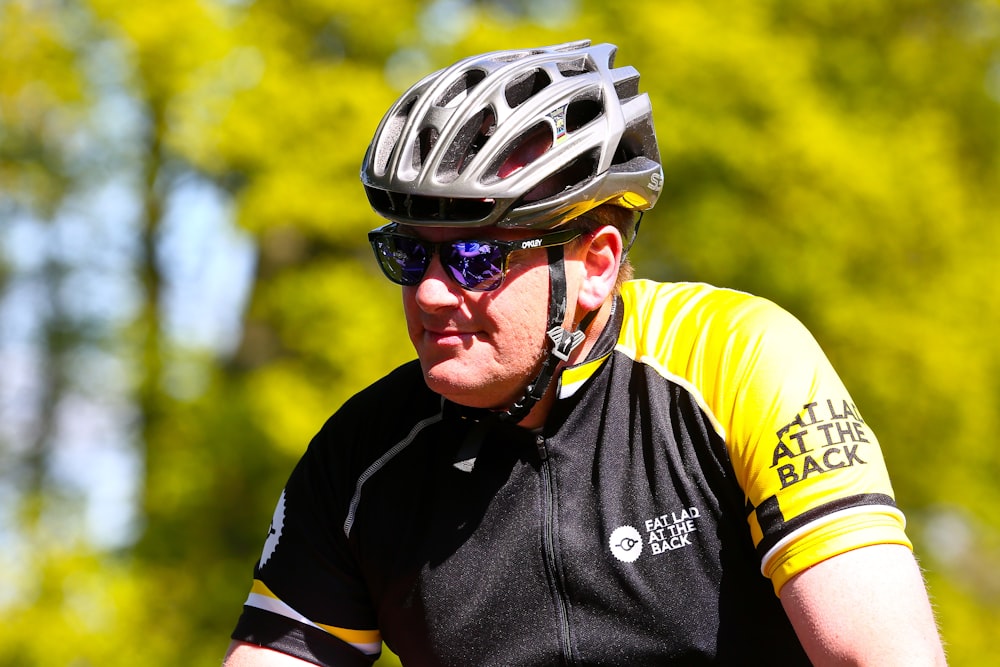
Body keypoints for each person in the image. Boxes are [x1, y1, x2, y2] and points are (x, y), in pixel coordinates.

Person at [224, 40, 946, 666]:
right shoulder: (363, 454)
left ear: (597, 263)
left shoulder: (736, 358)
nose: (433, 294)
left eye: (476, 258)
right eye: (411, 255)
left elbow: (878, 650)